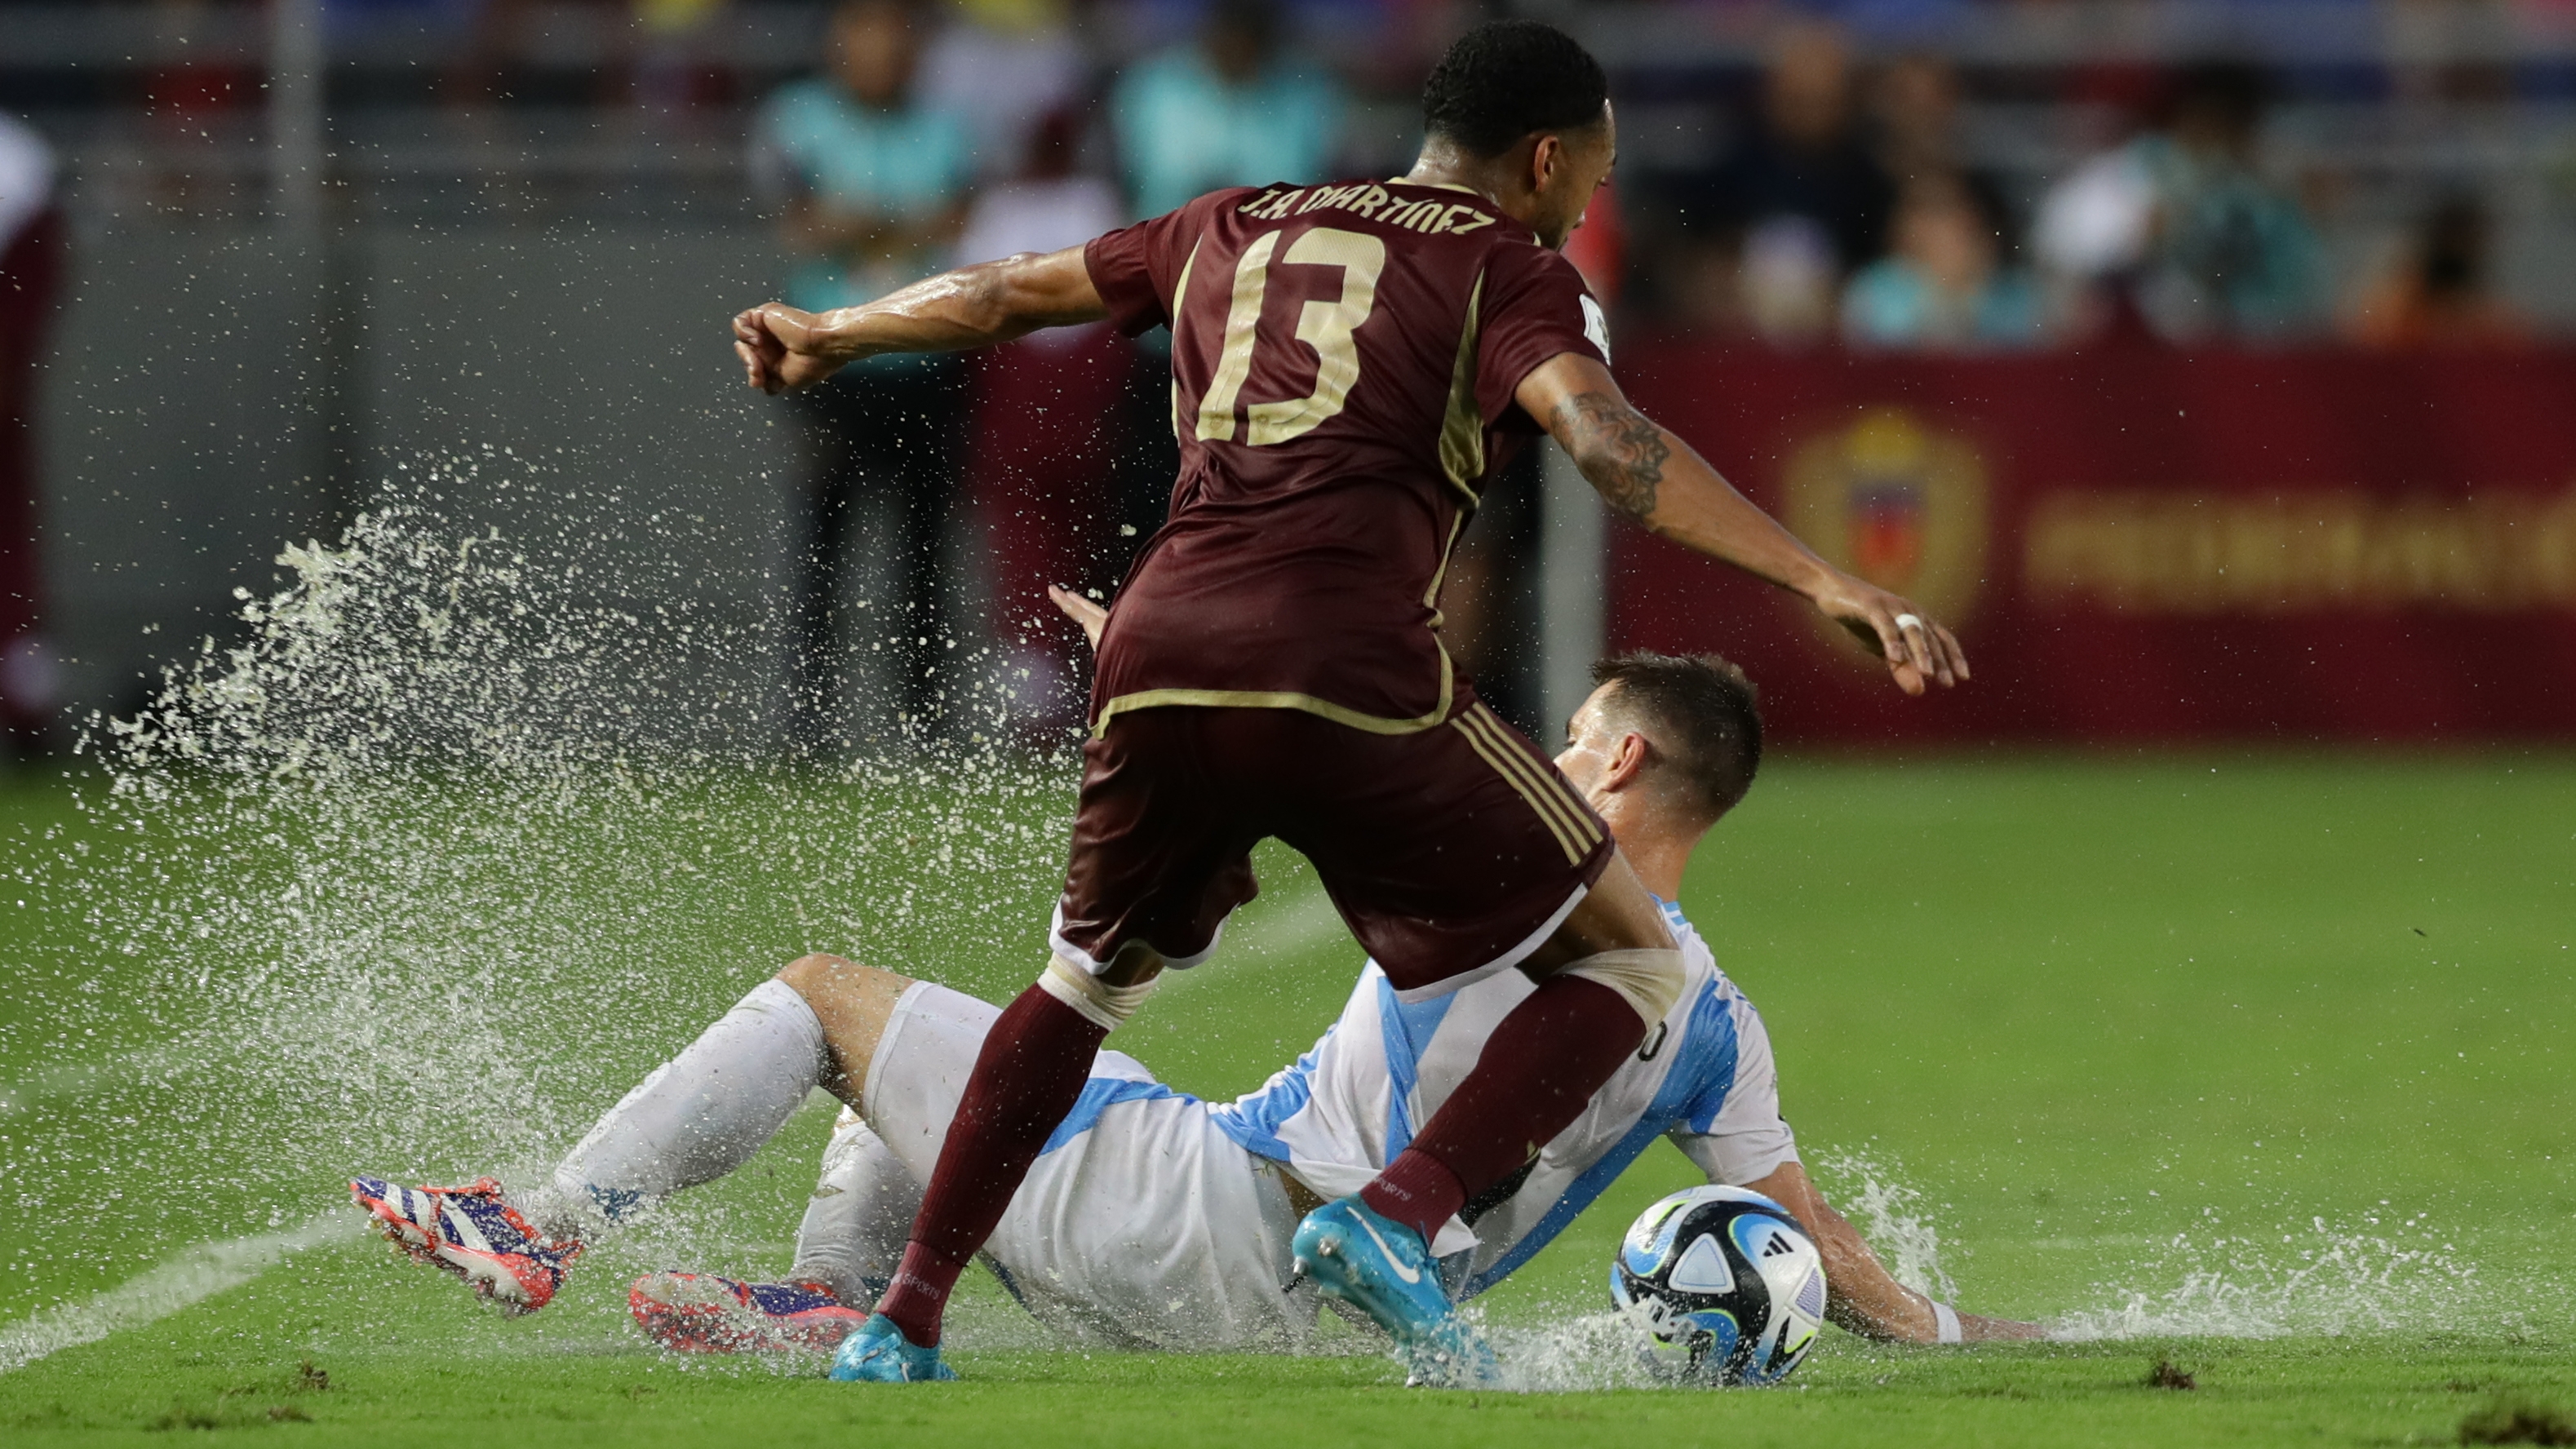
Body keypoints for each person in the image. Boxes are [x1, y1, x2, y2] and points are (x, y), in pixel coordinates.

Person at [725, 18, 1969, 1385]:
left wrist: (832, 329)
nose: (1589, 202)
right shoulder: (1506, 265)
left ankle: (901, 1322)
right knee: (1630, 961)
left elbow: (1011, 290)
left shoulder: (1236, 217)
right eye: (1593, 177)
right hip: (1351, 663)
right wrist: (1821, 578)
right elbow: (1613, 450)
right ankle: (1394, 1215)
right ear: (1546, 160)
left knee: (1079, 988)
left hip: (1163, 637)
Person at [352, 636, 2037, 1361]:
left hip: (1210, 1216)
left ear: (1614, 757)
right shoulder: (1718, 1020)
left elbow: (1345, 746)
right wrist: (1983, 1339)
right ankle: (825, 1305)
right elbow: (1821, 1250)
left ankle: (547, 1222)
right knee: (983, 1051)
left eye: (1579, 724)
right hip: (1318, 1306)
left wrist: (1162, 684)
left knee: (832, 1003)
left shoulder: (1508, 867)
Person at [751, 0, 978, 743]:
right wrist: (900, 223)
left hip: (924, 364)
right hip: (833, 367)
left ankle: (923, 722)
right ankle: (807, 723)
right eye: (864, 32)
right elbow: (807, 224)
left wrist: (865, 223)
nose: (880, 49)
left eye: (893, 34)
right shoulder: (798, 117)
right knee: (821, 548)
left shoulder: (948, 126)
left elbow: (958, 225)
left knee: (924, 550)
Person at [1110, 0, 1346, 219]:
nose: (1238, 46)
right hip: (1165, 238)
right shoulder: (1155, 87)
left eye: (1249, 35)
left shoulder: (1303, 95)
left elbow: (1304, 188)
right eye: (1231, 32)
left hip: (1265, 246)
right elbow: (1137, 185)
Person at [1841, 175, 2044, 351]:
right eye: (1932, 211)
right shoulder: (1875, 288)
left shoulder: (2014, 290)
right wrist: (1942, 293)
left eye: (1957, 208)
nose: (1957, 222)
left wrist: (1971, 289)